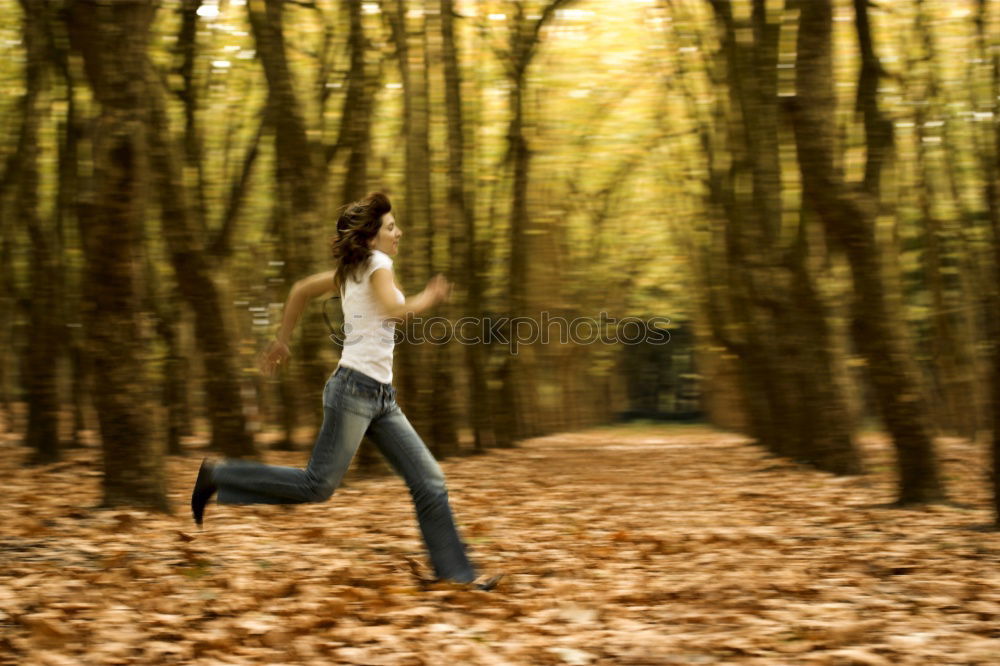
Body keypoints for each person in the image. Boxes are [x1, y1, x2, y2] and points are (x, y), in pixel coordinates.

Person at [190, 192, 498, 589]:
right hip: (354, 391)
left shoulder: (353, 270)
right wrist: (429, 297)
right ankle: (220, 475)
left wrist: (283, 339)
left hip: (380, 398)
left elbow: (301, 289)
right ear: (372, 238)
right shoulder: (378, 263)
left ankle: (457, 577)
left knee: (429, 481)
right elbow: (394, 310)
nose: (398, 232)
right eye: (390, 227)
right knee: (316, 486)